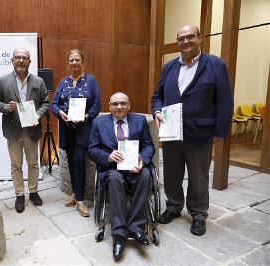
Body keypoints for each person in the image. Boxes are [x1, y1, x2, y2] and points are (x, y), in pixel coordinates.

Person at [151, 25, 233, 236]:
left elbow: (224, 102)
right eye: (181, 38)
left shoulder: (215, 65)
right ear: (177, 43)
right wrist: (157, 111)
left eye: (189, 37)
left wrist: (220, 132)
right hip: (171, 134)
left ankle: (198, 214)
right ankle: (173, 207)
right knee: (171, 173)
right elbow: (157, 96)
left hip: (200, 134)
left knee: (198, 177)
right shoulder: (168, 67)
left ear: (199, 38)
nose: (185, 41)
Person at [88, 92, 154, 261]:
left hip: (134, 168)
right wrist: (107, 156)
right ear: (109, 107)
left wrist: (142, 160)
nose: (119, 107)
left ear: (129, 105)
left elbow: (148, 146)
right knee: (115, 178)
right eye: (115, 104)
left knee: (146, 174)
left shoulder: (139, 121)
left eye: (123, 103)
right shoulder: (98, 123)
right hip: (112, 169)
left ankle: (137, 228)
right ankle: (119, 234)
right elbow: (92, 149)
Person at [0, 48, 49, 213]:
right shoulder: (3, 80)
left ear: (30, 62)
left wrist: (37, 116)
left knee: (33, 163)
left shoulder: (38, 82)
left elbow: (45, 102)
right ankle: (19, 195)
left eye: (25, 58)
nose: (21, 60)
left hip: (32, 129)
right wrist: (6, 107)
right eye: (18, 57)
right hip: (13, 129)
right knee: (16, 165)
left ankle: (33, 192)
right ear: (12, 60)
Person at [51, 49, 101, 217]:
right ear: (68, 63)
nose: (74, 63)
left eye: (77, 60)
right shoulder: (63, 82)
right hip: (67, 129)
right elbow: (54, 104)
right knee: (71, 161)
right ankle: (74, 192)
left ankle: (80, 199)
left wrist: (87, 116)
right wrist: (60, 113)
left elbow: (97, 105)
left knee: (79, 161)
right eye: (71, 60)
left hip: (83, 129)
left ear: (82, 62)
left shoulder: (91, 81)